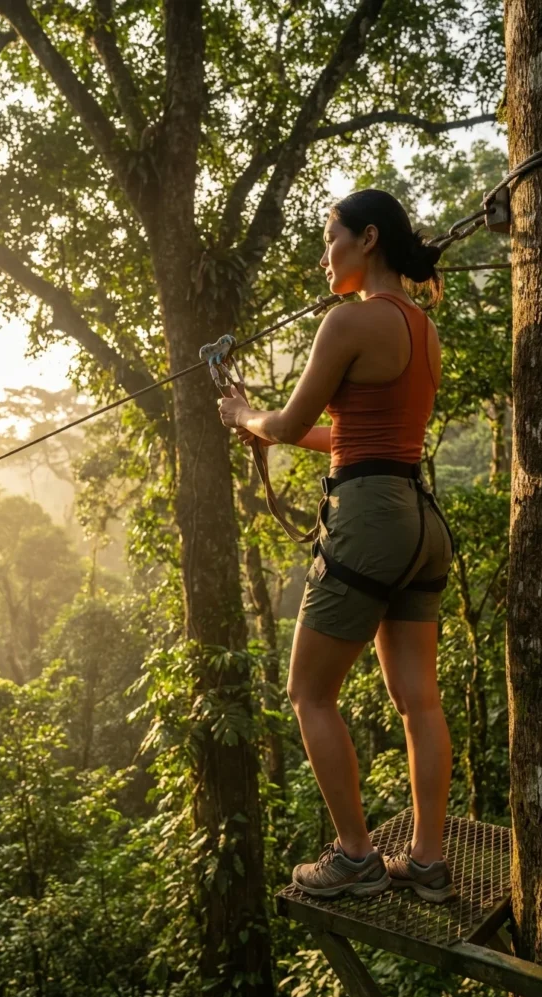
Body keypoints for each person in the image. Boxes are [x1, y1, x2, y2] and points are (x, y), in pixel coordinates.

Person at [218, 188, 457, 904]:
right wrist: (262, 422)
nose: (326, 256)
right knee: (419, 701)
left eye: (331, 239)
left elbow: (289, 425)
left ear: (368, 239)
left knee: (309, 693)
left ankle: (355, 858)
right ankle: (427, 863)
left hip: (369, 521)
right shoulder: (422, 327)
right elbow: (360, 436)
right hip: (418, 518)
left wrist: (242, 413)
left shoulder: (348, 322)